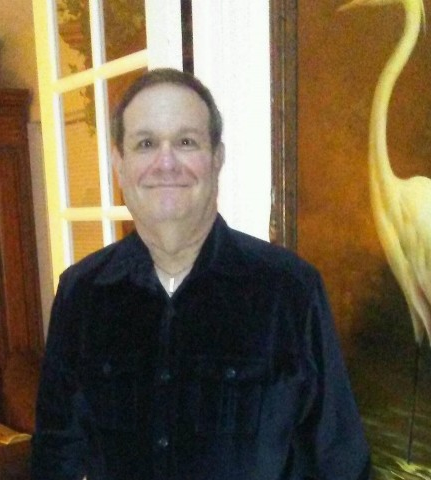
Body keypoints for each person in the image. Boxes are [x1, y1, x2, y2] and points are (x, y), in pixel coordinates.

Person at [31, 68, 371, 480]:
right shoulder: (81, 294)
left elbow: (341, 463)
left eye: (186, 142)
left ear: (216, 158)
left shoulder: (290, 292)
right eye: (146, 143)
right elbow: (56, 456)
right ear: (120, 164)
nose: (166, 163)